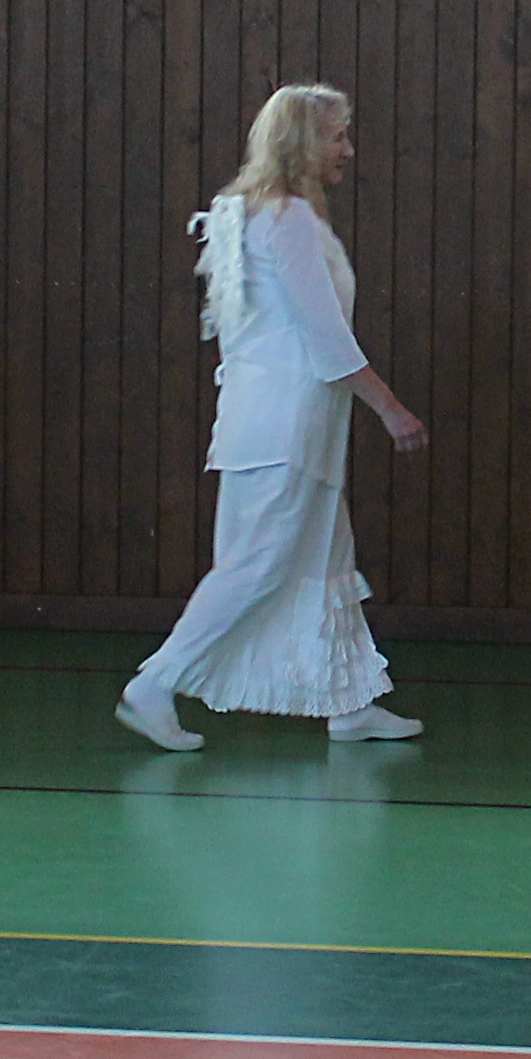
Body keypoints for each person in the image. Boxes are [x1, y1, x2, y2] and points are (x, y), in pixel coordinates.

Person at [117, 84, 430, 752]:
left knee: (327, 558)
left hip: (278, 422)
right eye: (337, 136)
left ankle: (349, 702)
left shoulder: (254, 214)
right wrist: (391, 409)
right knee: (256, 564)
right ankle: (155, 683)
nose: (347, 149)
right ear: (302, 142)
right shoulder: (285, 220)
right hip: (285, 426)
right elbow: (326, 338)